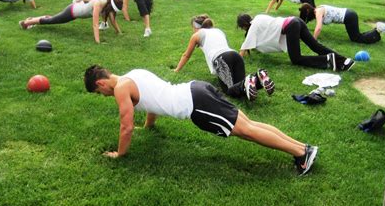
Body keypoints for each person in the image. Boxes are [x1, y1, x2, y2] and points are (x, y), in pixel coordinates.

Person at [84, 65, 318, 176]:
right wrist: (148, 125)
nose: (103, 96)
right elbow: (150, 99)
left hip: (196, 104)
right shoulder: (132, 74)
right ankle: (302, 148)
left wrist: (120, 154)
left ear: (101, 84)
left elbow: (125, 126)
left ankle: (300, 154)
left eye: (98, 93)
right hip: (196, 88)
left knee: (247, 131)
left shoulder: (120, 89)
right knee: (250, 124)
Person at [174, 14, 274, 101]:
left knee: (229, 91)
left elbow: (186, 55)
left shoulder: (196, 35)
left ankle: (254, 79)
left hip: (221, 60)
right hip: (235, 56)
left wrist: (177, 69)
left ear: (196, 27)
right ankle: (258, 78)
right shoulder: (218, 31)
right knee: (241, 86)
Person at [237, 13, 355, 71]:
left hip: (291, 26)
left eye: (242, 28)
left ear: (244, 25)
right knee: (315, 46)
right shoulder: (258, 17)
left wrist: (237, 59)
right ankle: (344, 61)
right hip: (296, 20)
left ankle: (327, 60)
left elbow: (245, 45)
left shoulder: (254, 26)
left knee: (296, 59)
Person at [18, 0, 123, 44]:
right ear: (111, 6)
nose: (112, 13)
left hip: (76, 9)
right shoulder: (99, 4)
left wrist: (119, 32)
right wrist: (98, 41)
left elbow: (112, 20)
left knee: (54, 18)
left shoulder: (105, 2)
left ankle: (32, 19)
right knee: (51, 21)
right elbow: (95, 24)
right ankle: (25, 23)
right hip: (72, 12)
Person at [299, 3, 381, 44]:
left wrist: (313, 40)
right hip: (348, 14)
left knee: (356, 38)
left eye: (305, 14)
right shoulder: (318, 9)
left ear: (307, 11)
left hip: (349, 16)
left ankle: (377, 31)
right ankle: (375, 31)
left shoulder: (318, 12)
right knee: (357, 36)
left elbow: (318, 27)